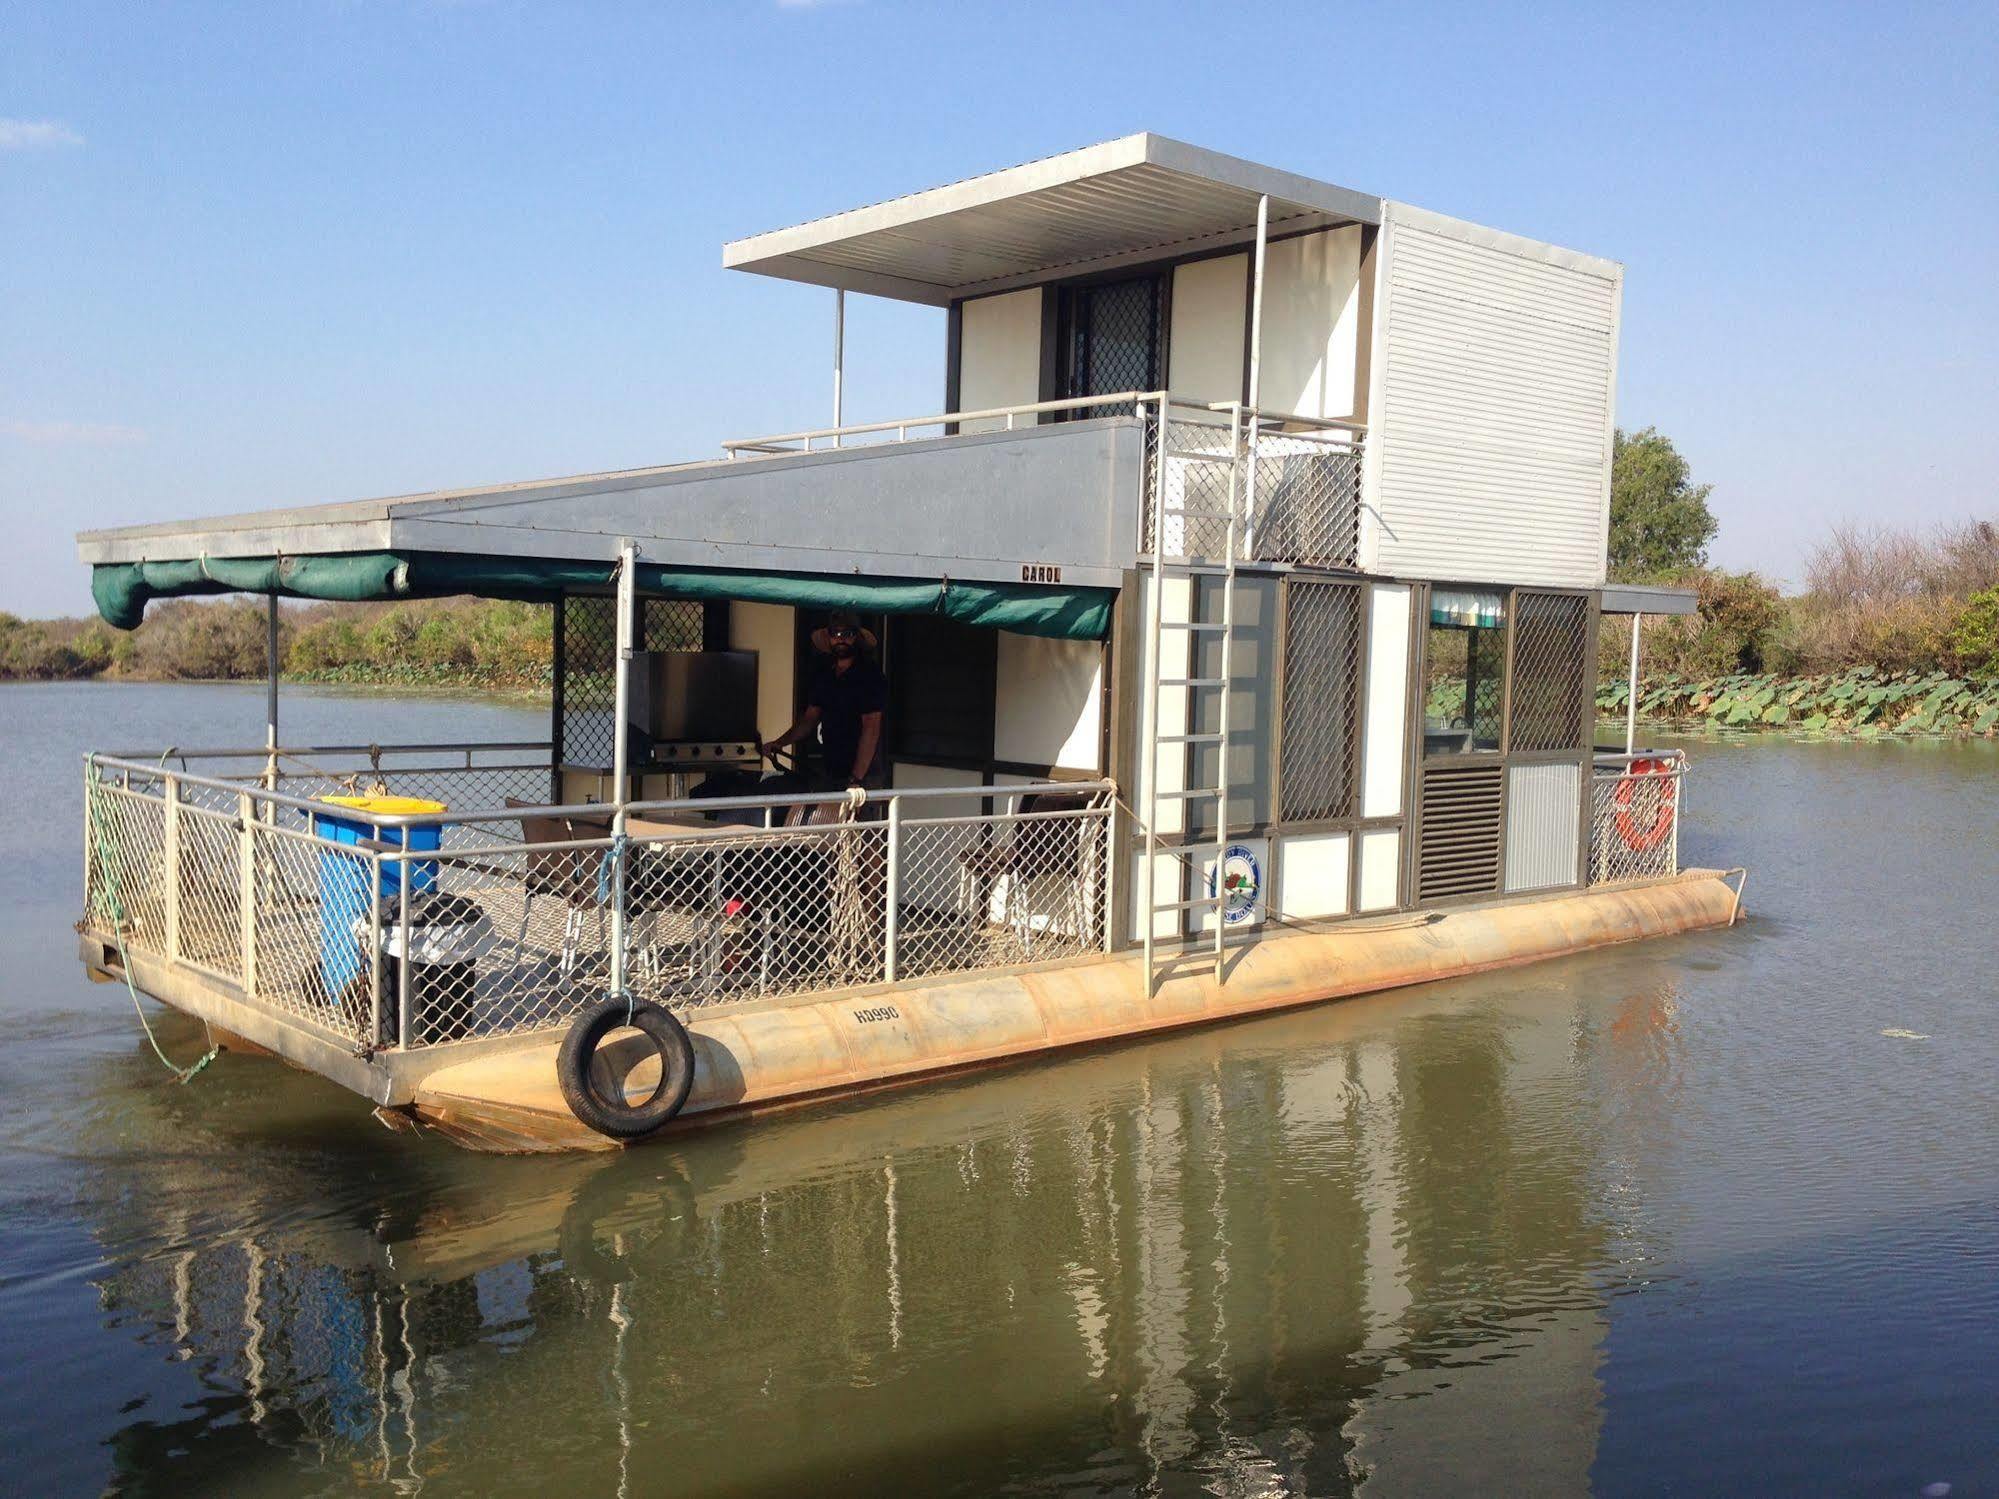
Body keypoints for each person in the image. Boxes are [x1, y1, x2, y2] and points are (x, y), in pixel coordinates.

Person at [760, 610, 887, 792]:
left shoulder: (870, 676)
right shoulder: (825, 676)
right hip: (830, 770)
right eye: (835, 633)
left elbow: (871, 729)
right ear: (828, 637)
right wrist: (780, 742)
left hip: (864, 776)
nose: (841, 639)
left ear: (857, 638)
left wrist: (856, 779)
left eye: (848, 634)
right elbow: (810, 719)